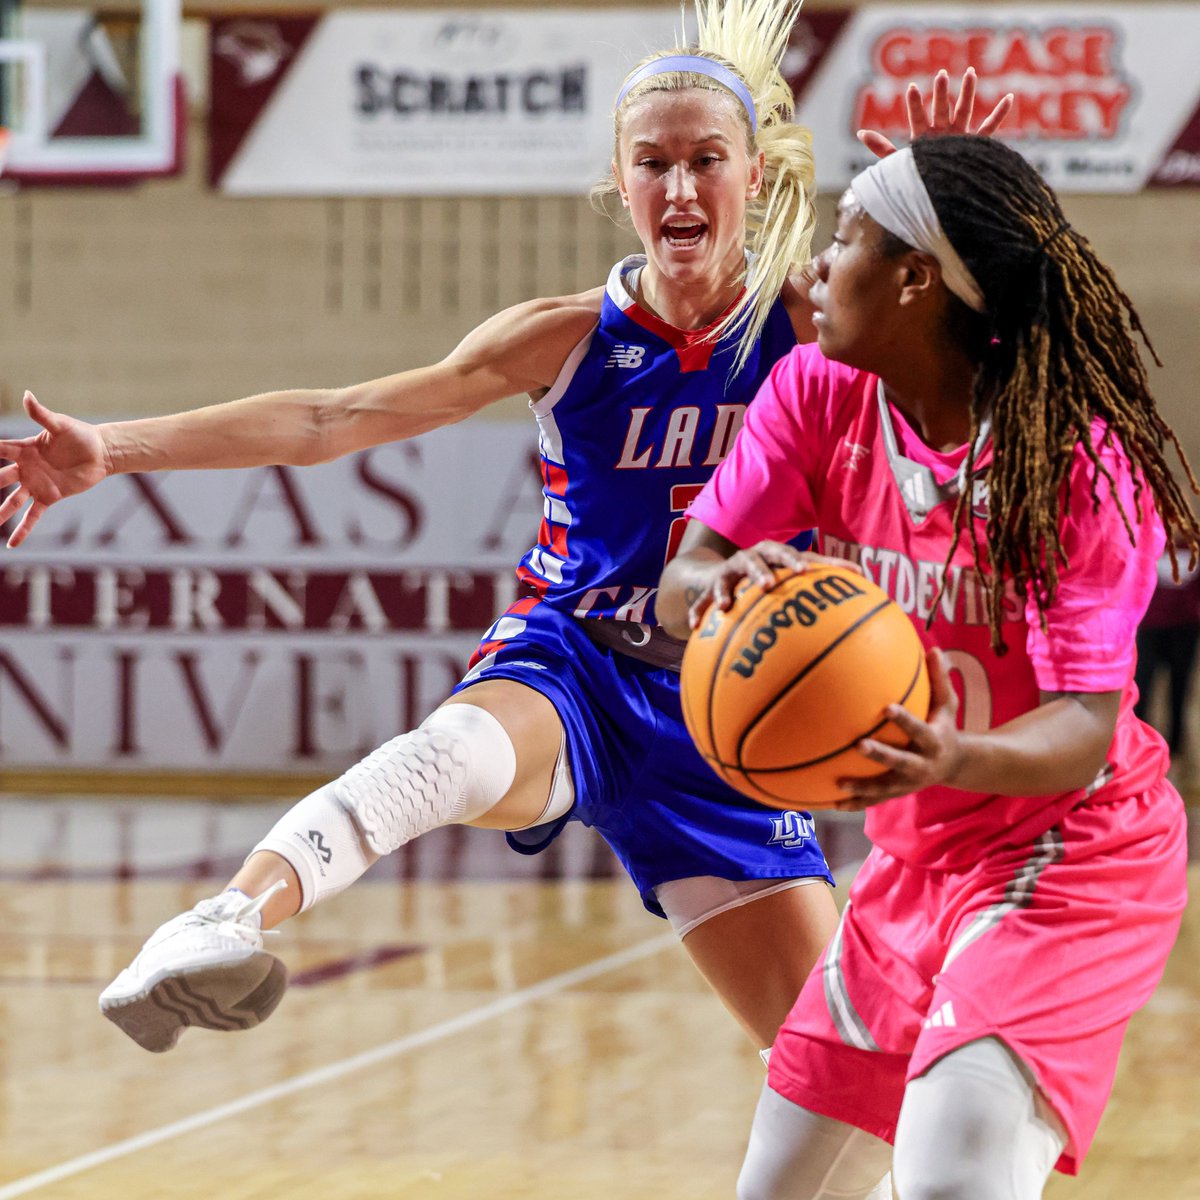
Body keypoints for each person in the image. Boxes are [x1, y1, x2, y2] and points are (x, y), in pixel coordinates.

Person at [0, 0, 1004, 1072]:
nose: (677, 187)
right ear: (618, 184)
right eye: (651, 163)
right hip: (575, 658)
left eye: (705, 160)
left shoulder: (811, 327)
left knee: (850, 1075)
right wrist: (114, 445)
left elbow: (980, 367)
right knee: (451, 758)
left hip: (740, 699)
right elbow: (331, 419)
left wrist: (950, 215)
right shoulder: (567, 336)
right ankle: (224, 918)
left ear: (754, 177)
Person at [658, 134, 1198, 1199]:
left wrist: (950, 750)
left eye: (846, 235)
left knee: (954, 1173)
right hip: (912, 866)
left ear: (915, 278)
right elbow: (683, 582)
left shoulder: (1075, 464)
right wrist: (718, 590)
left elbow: (1084, 730)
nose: (816, 260)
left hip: (1066, 863)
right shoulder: (815, 396)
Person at [1134, 539, 1200, 781]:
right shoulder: (1150, 541)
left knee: (1180, 692)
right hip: (1150, 627)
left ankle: (1176, 751)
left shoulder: (1194, 544)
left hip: (1185, 628)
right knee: (1143, 688)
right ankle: (1140, 747)